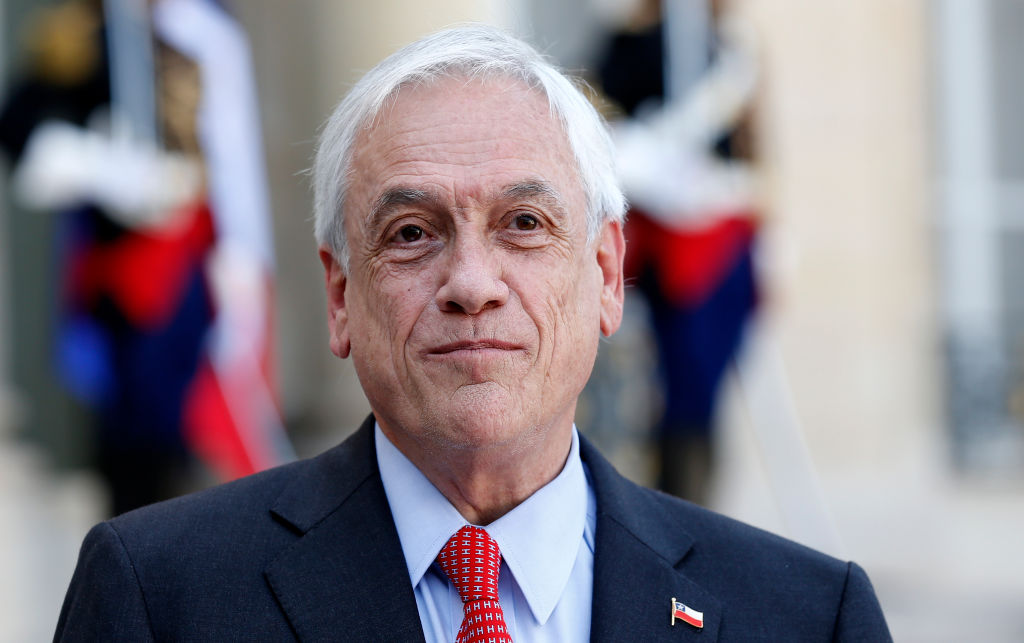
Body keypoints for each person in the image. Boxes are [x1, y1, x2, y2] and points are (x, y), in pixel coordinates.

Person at [55, 24, 891, 641]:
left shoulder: (809, 618)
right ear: (341, 295)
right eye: (412, 233)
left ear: (605, 274)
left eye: (524, 222)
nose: (472, 285)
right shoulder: (159, 599)